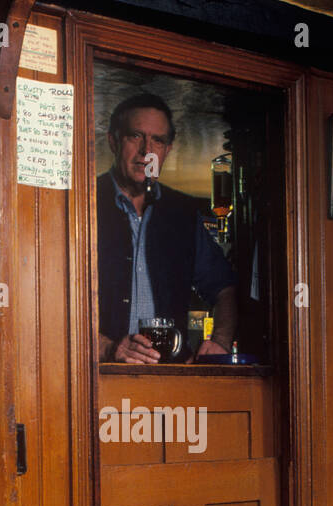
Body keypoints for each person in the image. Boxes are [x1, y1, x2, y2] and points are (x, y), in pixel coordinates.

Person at [96, 93, 237, 363]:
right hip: (98, 379)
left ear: (168, 149)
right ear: (114, 141)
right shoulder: (83, 203)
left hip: (171, 381)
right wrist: (108, 348)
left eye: (157, 140)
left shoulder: (183, 213)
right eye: (135, 136)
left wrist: (220, 340)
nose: (146, 151)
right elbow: (49, 301)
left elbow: (225, 287)